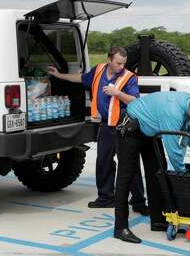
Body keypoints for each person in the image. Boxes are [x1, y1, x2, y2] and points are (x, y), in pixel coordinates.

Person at [48, 47, 148, 215]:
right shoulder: (99, 70)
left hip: (123, 125)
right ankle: (106, 198)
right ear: (109, 59)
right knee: (103, 161)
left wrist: (117, 93)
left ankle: (138, 201)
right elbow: (81, 78)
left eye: (123, 63)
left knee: (130, 164)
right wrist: (59, 75)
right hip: (105, 125)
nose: (121, 66)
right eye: (118, 63)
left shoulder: (129, 77)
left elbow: (134, 100)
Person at [113, 91, 190, 244]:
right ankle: (120, 228)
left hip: (149, 130)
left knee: (158, 173)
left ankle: (158, 221)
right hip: (131, 128)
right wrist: (184, 177)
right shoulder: (173, 112)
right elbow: (174, 152)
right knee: (125, 177)